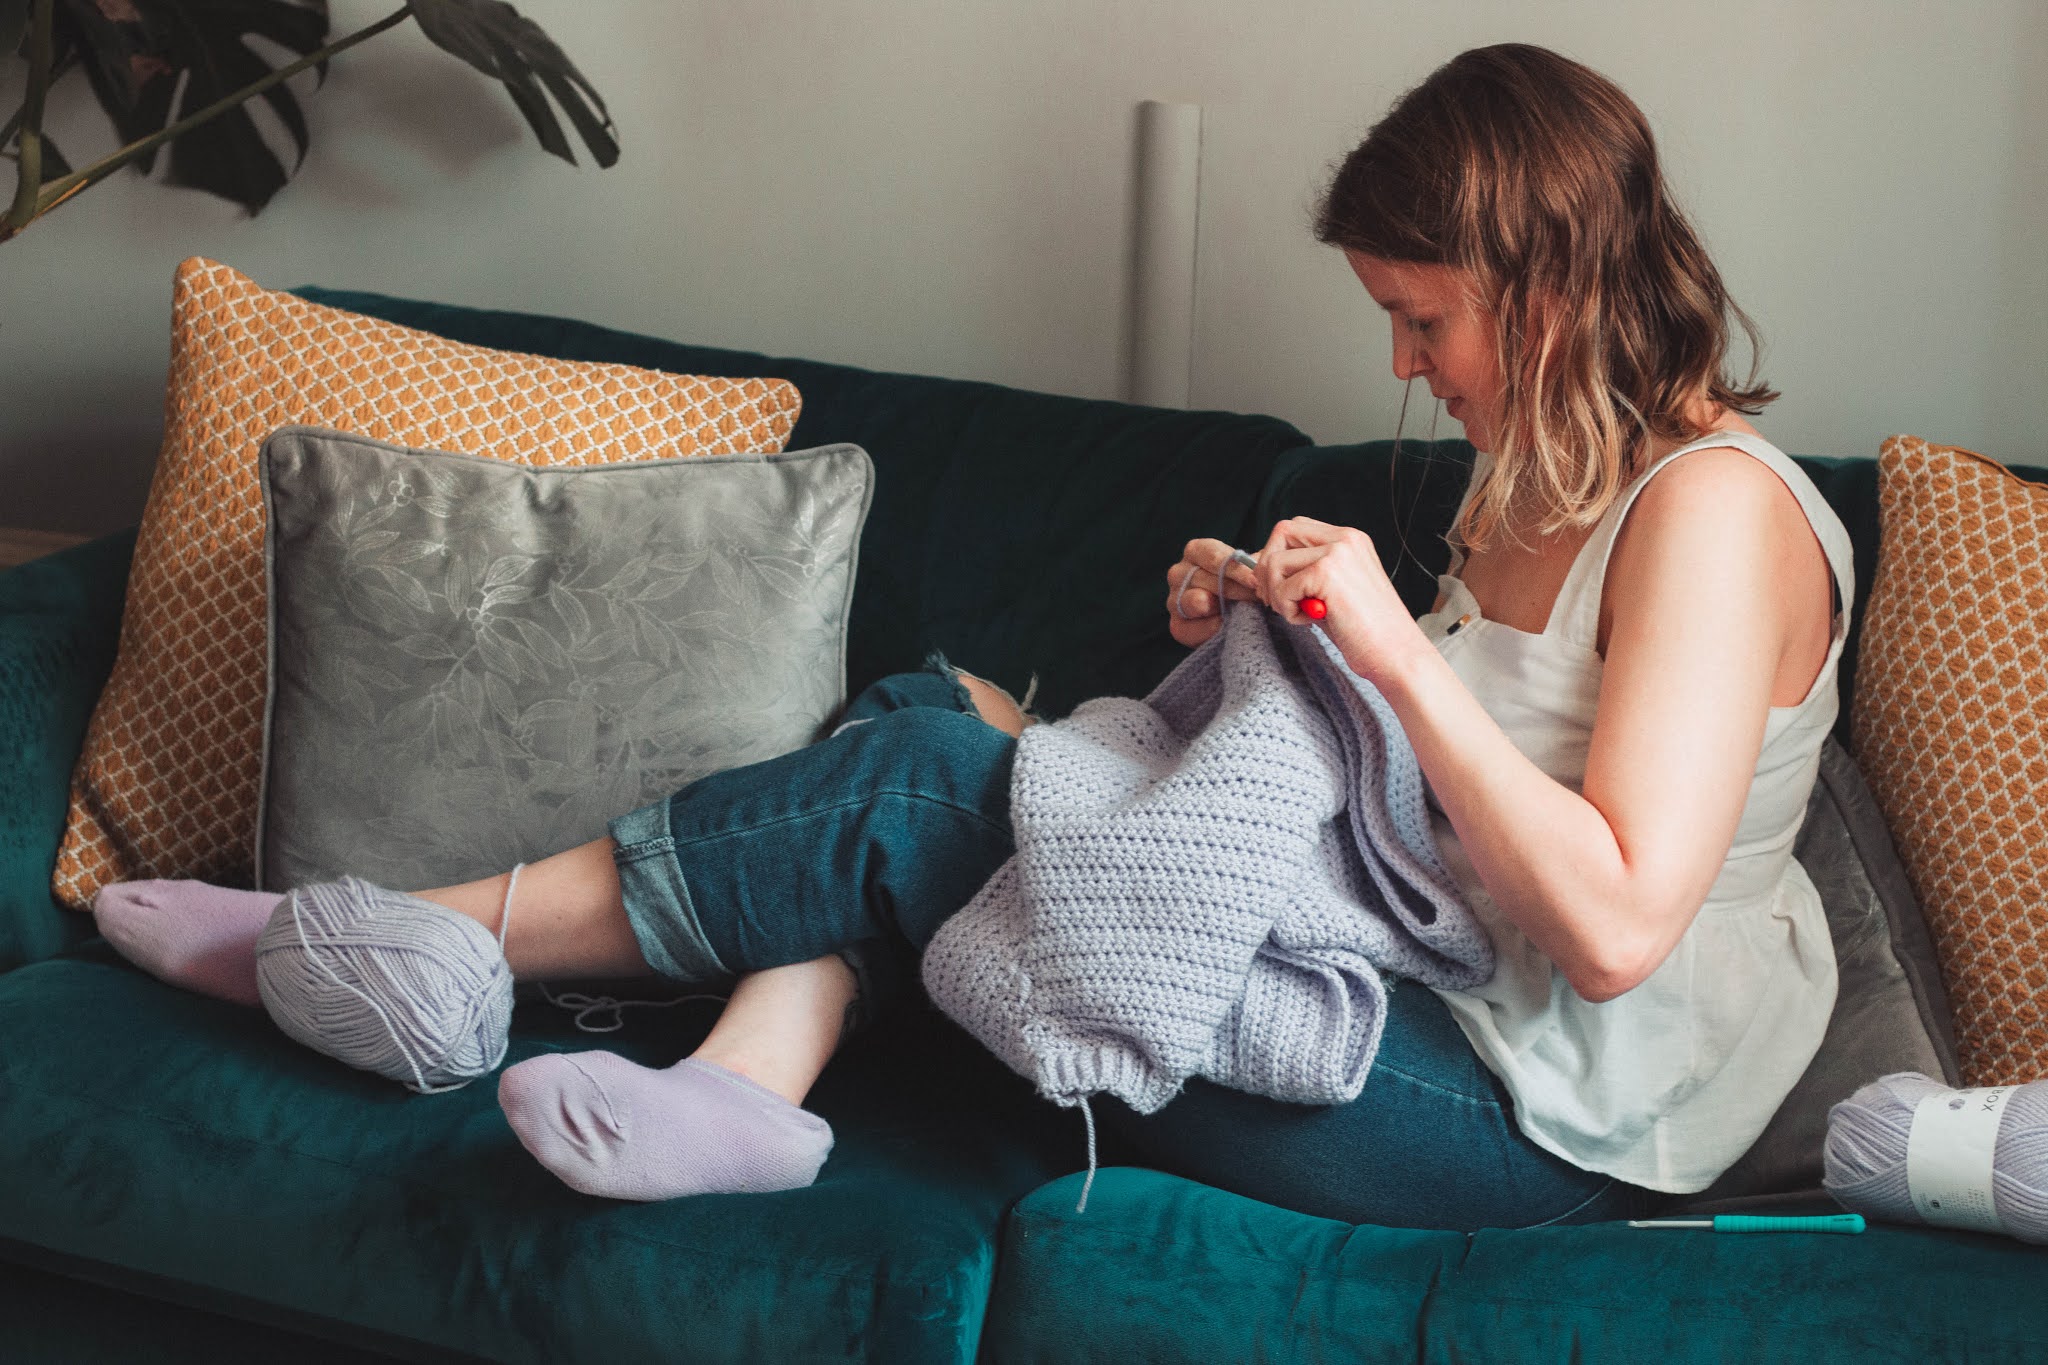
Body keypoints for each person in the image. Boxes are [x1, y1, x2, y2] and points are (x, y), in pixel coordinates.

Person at [91, 43, 1850, 1231]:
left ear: (1546, 284)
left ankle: (397, 935)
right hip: (1424, 992)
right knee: (942, 715)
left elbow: (1616, 923)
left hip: (1540, 1120)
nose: (1403, 364)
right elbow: (1413, 812)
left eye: (1424, 317)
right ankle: (732, 1082)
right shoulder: (1528, 477)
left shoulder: (1711, 512)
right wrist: (1271, 632)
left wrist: (1384, 654)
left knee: (937, 784)